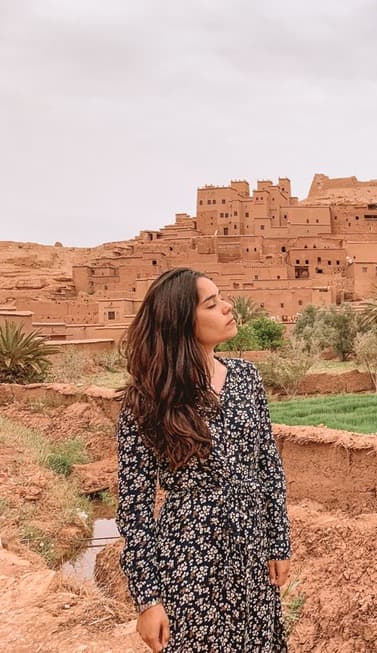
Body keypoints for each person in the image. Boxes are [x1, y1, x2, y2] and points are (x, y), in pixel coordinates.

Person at [116, 268, 291, 652]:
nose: (227, 307)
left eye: (221, 298)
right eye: (211, 304)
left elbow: (268, 467)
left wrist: (278, 543)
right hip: (189, 559)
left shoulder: (247, 378)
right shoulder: (147, 401)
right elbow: (135, 508)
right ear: (181, 321)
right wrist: (148, 599)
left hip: (252, 551)